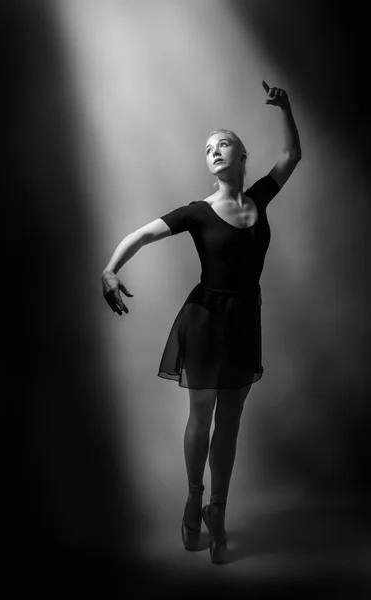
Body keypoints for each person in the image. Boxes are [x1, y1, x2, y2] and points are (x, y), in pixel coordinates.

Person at [101, 81, 301, 564]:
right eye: (208, 148)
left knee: (230, 424)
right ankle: (194, 497)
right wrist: (110, 268)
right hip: (205, 318)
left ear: (241, 154)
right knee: (203, 415)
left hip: (244, 319)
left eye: (223, 144)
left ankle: (218, 511)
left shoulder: (260, 197)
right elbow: (140, 234)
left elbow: (292, 155)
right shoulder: (198, 211)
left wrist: (286, 106)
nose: (214, 151)